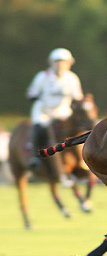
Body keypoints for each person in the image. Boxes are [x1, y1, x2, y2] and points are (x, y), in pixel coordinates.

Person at [26, 48, 84, 181]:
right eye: (57, 62)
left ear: (69, 63)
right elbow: (32, 94)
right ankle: (35, 157)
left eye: (63, 62)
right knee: (40, 127)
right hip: (43, 111)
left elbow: (77, 97)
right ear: (52, 63)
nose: (60, 65)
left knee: (77, 129)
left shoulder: (72, 78)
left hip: (64, 112)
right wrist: (41, 103)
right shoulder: (43, 76)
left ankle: (81, 159)